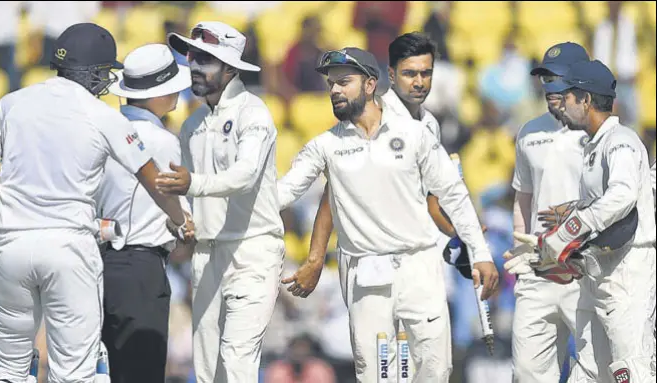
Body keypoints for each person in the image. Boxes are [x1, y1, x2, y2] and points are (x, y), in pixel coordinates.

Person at [0, 23, 191, 383]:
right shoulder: (103, 116)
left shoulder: (9, 103)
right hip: (70, 248)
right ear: (91, 72)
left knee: (4, 369)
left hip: (10, 246)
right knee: (74, 373)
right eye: (104, 73)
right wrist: (180, 220)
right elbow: (155, 181)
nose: (105, 83)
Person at [276, 47, 498, 382]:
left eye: (343, 82)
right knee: (377, 375)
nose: (334, 90)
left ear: (369, 85)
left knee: (435, 370)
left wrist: (480, 253)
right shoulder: (326, 145)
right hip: (365, 275)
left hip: (418, 268)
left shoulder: (414, 134)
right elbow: (283, 192)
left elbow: (453, 194)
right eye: (331, 84)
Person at [156, 21, 285, 382]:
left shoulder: (253, 113)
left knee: (237, 358)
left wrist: (192, 184)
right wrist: (180, 221)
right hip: (207, 254)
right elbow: (185, 198)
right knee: (208, 368)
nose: (195, 66)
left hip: (252, 251)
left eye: (206, 60)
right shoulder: (192, 123)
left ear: (230, 69)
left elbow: (244, 177)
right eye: (192, 57)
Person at [520, 59, 656, 382]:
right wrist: (571, 256)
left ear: (586, 100)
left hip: (627, 274)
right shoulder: (593, 147)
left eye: (568, 97)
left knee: (631, 369)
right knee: (588, 372)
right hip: (597, 273)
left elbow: (622, 198)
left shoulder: (621, 141)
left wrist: (568, 231)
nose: (561, 106)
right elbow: (599, 219)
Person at [501, 42, 605, 383]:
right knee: (528, 373)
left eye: (557, 79)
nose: (550, 88)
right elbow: (523, 199)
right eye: (545, 78)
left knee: (596, 369)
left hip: (586, 271)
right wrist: (522, 252)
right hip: (539, 270)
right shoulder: (529, 132)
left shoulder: (602, 134)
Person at [94, 43, 193, 383]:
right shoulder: (160, 139)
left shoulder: (101, 130)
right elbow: (178, 210)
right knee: (142, 373)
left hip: (97, 263)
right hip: (140, 266)